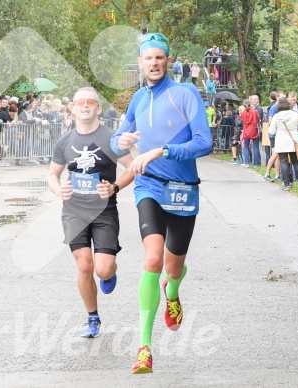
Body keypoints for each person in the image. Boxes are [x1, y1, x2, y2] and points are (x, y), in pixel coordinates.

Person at [110, 32, 212, 374]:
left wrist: (162, 150)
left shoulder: (185, 94)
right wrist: (119, 139)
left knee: (173, 267)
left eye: (159, 57)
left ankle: (173, 292)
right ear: (140, 63)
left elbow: (204, 141)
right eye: (148, 58)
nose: (153, 63)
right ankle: (144, 348)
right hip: (149, 186)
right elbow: (118, 139)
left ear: (168, 61)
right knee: (152, 258)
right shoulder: (138, 98)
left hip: (184, 188)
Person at [48, 86, 134, 341]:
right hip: (74, 211)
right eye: (79, 103)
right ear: (73, 109)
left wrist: (115, 186)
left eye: (90, 102)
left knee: (103, 270)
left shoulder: (112, 137)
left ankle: (110, 272)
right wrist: (58, 190)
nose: (85, 106)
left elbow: (132, 168)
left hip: (104, 210)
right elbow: (53, 174)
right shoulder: (65, 141)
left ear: (98, 108)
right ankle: (92, 317)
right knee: (84, 265)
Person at [268, 97, 298, 190]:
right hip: (293, 141)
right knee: (296, 162)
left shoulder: (277, 116)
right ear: (289, 105)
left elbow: (271, 131)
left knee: (284, 161)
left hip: (281, 141)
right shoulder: (295, 115)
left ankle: (286, 183)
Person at [240, 99, 261, 167]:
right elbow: (258, 119)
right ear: (250, 104)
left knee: (246, 147)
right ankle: (256, 163)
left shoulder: (243, 113)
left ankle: (246, 162)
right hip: (254, 131)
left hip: (246, 131)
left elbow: (243, 121)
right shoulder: (255, 112)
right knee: (256, 147)